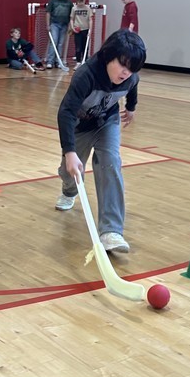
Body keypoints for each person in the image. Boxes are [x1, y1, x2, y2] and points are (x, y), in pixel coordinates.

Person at [55, 29, 146, 254]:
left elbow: (133, 86)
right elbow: (65, 112)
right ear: (108, 56)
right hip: (80, 127)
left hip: (107, 122)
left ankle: (111, 231)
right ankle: (68, 192)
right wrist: (70, 152)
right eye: (122, 65)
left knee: (110, 162)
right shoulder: (85, 75)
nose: (126, 73)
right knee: (71, 173)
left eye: (132, 68)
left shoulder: (131, 76)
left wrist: (131, 108)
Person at [44, 0, 72, 68]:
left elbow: (72, 15)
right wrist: (48, 24)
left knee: (60, 43)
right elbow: (48, 13)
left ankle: (58, 61)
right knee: (54, 41)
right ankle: (50, 61)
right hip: (54, 24)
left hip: (64, 25)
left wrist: (71, 26)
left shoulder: (69, 2)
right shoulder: (52, 1)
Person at [69, 0, 93, 65]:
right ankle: (78, 62)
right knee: (78, 47)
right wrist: (72, 28)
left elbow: (90, 19)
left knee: (85, 46)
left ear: (84, 0)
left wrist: (90, 30)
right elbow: (72, 19)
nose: (80, 3)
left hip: (85, 30)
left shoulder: (88, 8)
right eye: (79, 2)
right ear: (77, 1)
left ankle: (85, 61)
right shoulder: (74, 8)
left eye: (82, 1)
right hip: (77, 30)